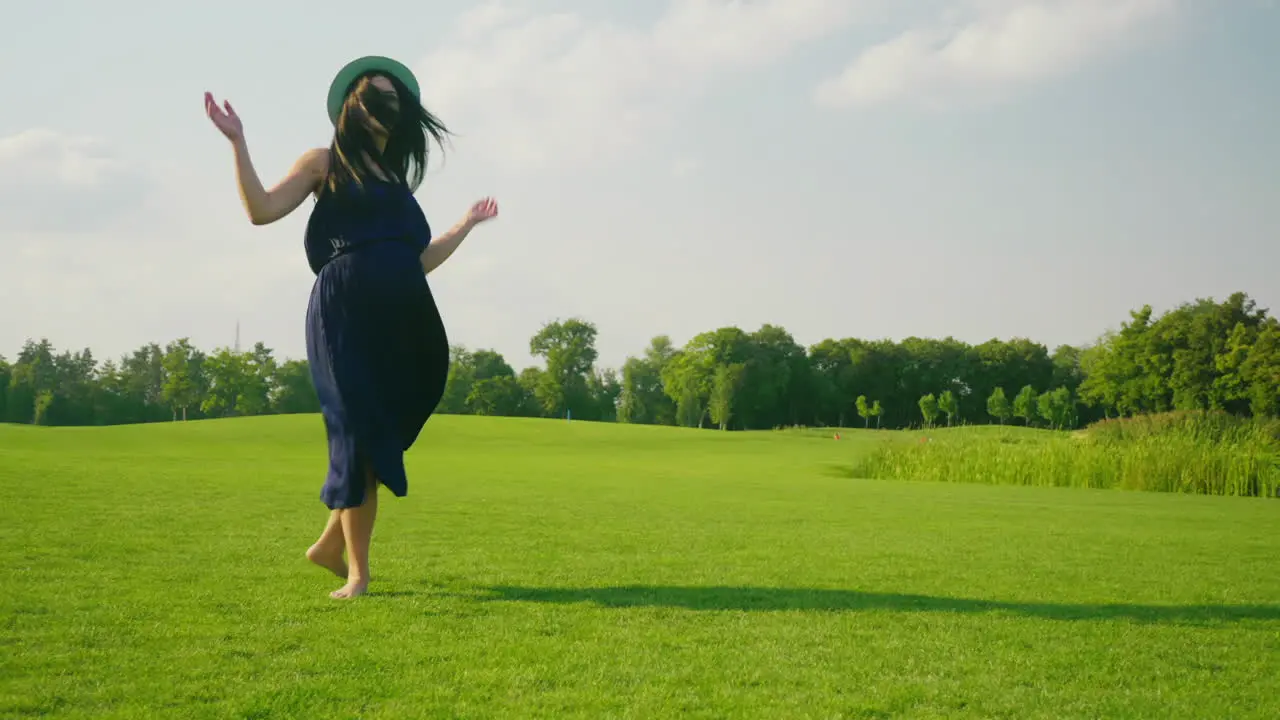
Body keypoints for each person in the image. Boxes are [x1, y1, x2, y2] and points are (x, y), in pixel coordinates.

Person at [203, 55, 499, 599]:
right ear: (352, 110)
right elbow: (262, 209)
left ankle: (330, 546)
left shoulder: (398, 185)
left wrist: (466, 224)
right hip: (345, 316)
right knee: (359, 433)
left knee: (374, 437)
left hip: (403, 322)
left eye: (392, 99)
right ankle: (358, 575)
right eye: (373, 98)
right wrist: (238, 143)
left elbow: (416, 260)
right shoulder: (325, 163)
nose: (383, 107)